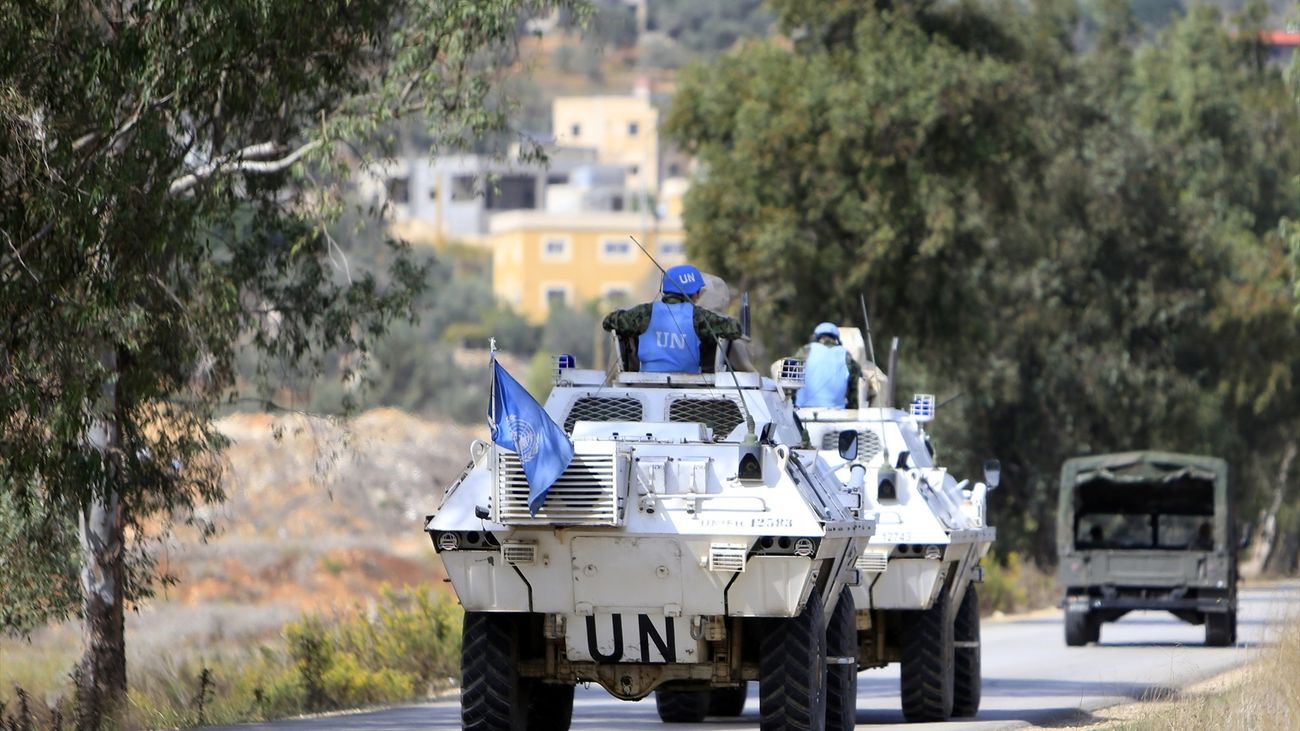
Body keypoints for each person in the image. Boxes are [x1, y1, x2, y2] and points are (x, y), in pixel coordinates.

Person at [602, 264, 742, 373]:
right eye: (698, 291)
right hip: (690, 385)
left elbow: (608, 322)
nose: (699, 295)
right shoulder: (699, 316)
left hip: (646, 383)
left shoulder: (645, 312)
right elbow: (735, 330)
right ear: (693, 293)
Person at [793, 322, 863, 408]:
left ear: (815, 337)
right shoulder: (846, 355)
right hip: (836, 412)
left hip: (802, 410)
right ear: (836, 338)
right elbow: (854, 389)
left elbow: (790, 376)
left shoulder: (805, 351)